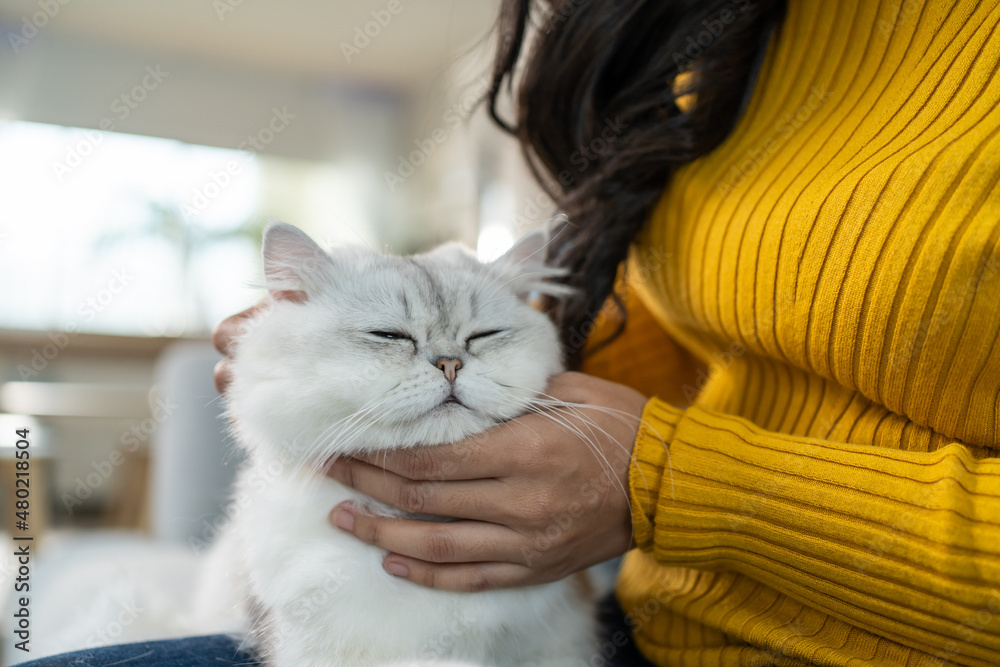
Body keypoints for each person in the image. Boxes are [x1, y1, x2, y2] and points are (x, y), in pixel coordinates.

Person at [29, 0, 1000, 665]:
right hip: (662, 630)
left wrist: (672, 480)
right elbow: (678, 354)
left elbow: (652, 448)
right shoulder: (712, 40)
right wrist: (323, 336)